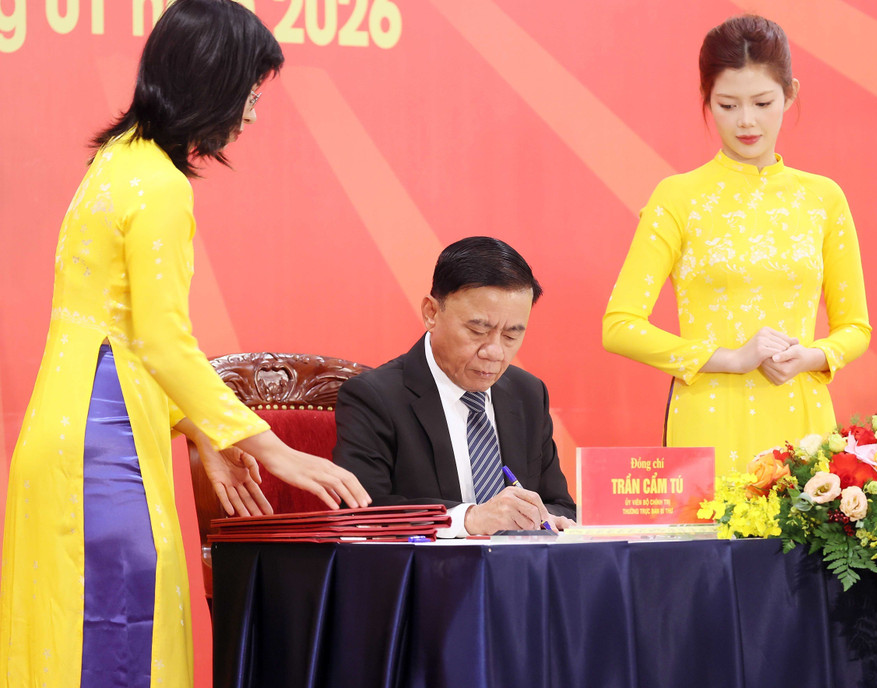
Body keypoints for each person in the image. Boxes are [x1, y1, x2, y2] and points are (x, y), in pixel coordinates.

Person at [0, 1, 369, 686]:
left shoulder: (115, 162)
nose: (251, 115)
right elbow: (162, 343)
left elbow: (119, 335)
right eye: (250, 92)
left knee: (63, 638)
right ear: (211, 81)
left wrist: (203, 433)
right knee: (119, 641)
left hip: (66, 438)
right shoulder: (161, 187)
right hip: (105, 455)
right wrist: (273, 449)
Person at [602, 14, 870, 476]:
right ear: (706, 99)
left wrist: (812, 356)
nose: (746, 121)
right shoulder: (678, 197)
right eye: (727, 105)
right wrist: (730, 359)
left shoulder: (823, 198)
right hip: (709, 420)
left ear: (790, 94)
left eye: (763, 102)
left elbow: (856, 328)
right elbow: (619, 326)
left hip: (802, 421)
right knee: (712, 524)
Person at [333, 236, 577, 536]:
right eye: (477, 330)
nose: (495, 352)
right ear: (431, 313)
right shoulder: (374, 396)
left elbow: (560, 505)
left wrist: (549, 518)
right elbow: (361, 512)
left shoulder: (527, 393)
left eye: (511, 336)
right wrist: (469, 519)